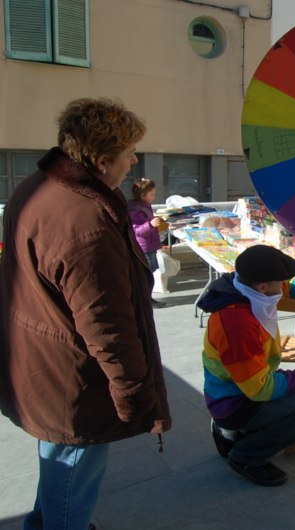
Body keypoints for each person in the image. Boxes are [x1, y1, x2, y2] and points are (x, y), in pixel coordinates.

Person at [0, 97, 171, 529]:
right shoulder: (86, 223)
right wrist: (134, 393)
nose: (134, 161)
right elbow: (106, 326)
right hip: (73, 378)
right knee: (73, 466)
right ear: (100, 161)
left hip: (43, 360)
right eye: (129, 153)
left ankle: (48, 520)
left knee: (58, 460)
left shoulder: (40, 186)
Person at [198, 244, 295, 486]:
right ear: (263, 287)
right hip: (237, 401)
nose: (283, 287)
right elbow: (260, 388)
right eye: (278, 283)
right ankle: (245, 455)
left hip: (243, 388)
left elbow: (290, 286)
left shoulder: (244, 286)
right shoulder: (236, 323)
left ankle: (237, 434)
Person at [128, 178, 169, 308]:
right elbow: (137, 230)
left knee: (149, 274)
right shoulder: (135, 209)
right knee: (146, 276)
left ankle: (147, 298)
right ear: (142, 194)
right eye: (151, 194)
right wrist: (150, 224)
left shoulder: (143, 205)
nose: (153, 197)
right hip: (144, 247)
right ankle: (146, 300)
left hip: (149, 245)